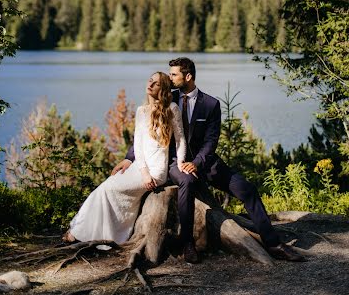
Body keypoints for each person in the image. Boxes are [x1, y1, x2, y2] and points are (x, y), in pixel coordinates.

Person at [114, 57, 306, 263]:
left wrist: (196, 162)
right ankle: (187, 243)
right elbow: (147, 130)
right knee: (186, 181)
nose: (169, 78)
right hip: (172, 162)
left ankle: (273, 244)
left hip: (205, 163)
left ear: (188, 76)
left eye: (174, 75)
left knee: (247, 189)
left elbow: (211, 140)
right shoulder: (168, 99)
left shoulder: (211, 104)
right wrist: (129, 157)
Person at [63, 71, 186, 245]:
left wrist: (180, 162)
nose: (150, 84)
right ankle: (92, 233)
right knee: (106, 187)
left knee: (107, 190)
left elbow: (180, 139)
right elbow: (138, 145)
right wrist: (143, 172)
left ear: (163, 88)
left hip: (157, 171)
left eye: (156, 83)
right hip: (141, 167)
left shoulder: (172, 109)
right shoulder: (142, 111)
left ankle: (83, 234)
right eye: (150, 80)